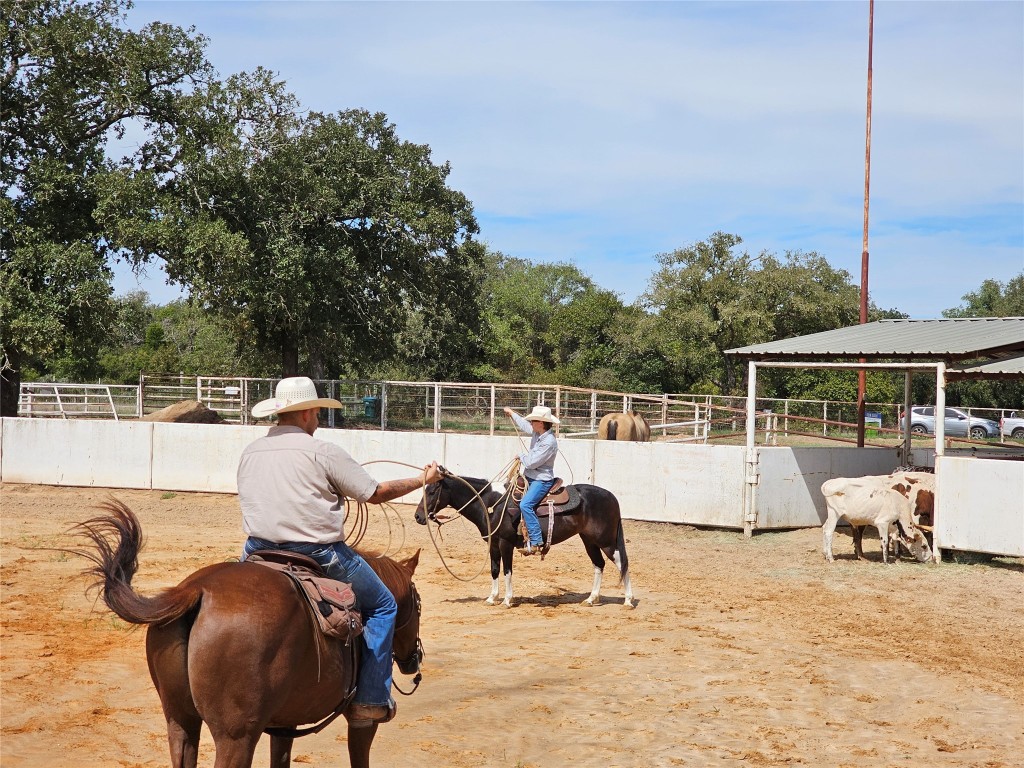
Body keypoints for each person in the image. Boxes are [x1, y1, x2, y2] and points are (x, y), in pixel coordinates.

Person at [237, 376, 443, 727]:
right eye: (316, 412)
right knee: (383, 605)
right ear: (306, 413)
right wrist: (424, 480)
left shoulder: (251, 451)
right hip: (318, 553)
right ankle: (372, 699)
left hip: (256, 551)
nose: (317, 419)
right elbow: (374, 492)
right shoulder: (323, 451)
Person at [502, 405, 560, 555]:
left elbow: (532, 462)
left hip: (541, 479)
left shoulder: (549, 442)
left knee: (526, 504)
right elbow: (524, 425)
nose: (531, 423)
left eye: (533, 420)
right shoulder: (538, 432)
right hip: (531, 476)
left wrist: (521, 456)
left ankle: (536, 541)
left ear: (541, 423)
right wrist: (512, 413)